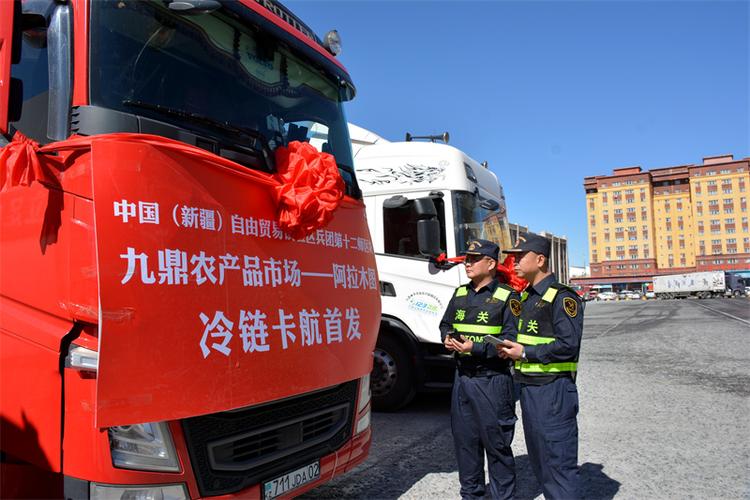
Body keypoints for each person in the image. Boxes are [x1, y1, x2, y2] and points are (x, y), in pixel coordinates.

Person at [497, 233, 584, 499]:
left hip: (553, 392)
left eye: (520, 256)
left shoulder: (562, 297)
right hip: (529, 390)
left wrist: (525, 352)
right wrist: (510, 349)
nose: (514, 262)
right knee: (542, 465)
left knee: (558, 466)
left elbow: (568, 345)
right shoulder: (527, 297)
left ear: (540, 260)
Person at [440, 238, 521, 500]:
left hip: (492, 381)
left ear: (491, 264)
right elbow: (445, 324)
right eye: (467, 259)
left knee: (497, 446)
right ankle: (471, 495)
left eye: (474, 259)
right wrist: (447, 338)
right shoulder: (460, 294)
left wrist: (473, 348)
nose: (468, 263)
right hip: (462, 379)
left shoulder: (508, 297)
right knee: (465, 445)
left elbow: (511, 341)